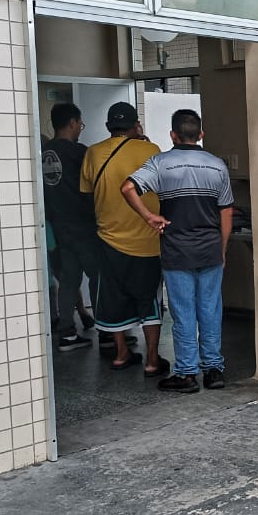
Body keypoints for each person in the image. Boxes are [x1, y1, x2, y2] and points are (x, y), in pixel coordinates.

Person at [122, 109, 233, 394]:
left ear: (173, 135)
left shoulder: (160, 163)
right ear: (201, 134)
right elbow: (226, 212)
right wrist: (221, 248)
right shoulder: (217, 165)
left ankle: (186, 374)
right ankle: (214, 370)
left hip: (176, 250)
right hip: (209, 249)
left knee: (183, 312)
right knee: (210, 309)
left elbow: (127, 188)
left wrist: (149, 217)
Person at [80, 101, 168, 378]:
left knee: (113, 298)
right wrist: (143, 139)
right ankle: (153, 360)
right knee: (149, 300)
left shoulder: (93, 153)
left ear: (108, 127)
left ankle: (121, 354)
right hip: (148, 240)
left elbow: (85, 193)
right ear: (135, 125)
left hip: (108, 240)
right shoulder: (151, 150)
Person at [42, 103, 99, 351]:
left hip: (58, 225)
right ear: (73, 123)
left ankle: (67, 333)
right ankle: (110, 332)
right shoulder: (79, 153)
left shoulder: (44, 152)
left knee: (68, 280)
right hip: (83, 224)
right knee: (99, 276)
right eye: (80, 124)